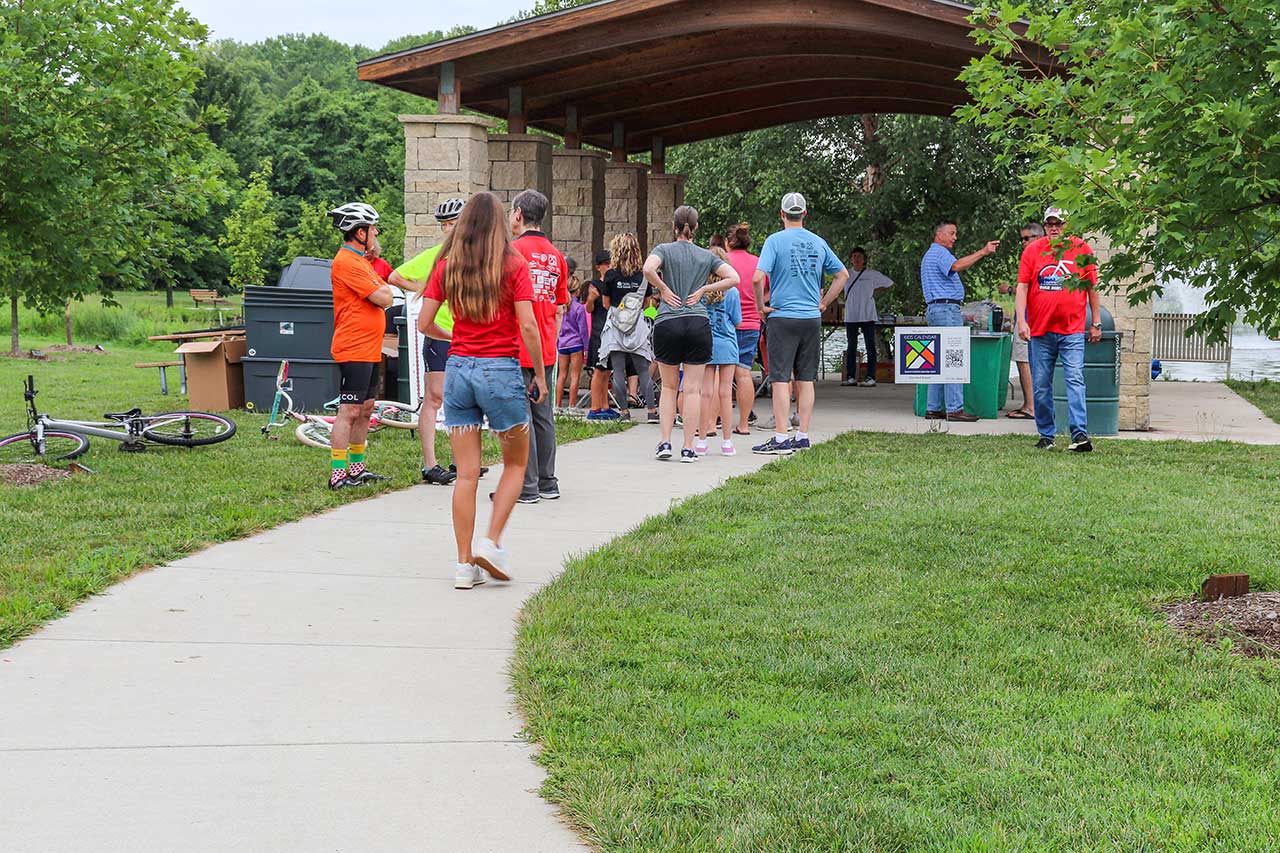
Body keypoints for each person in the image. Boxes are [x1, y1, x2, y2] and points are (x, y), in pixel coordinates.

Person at [418, 192, 547, 590]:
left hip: (457, 371)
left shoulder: (447, 264)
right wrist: (540, 375)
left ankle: (462, 566)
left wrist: (454, 335)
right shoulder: (513, 264)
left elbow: (424, 322)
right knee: (515, 463)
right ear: (499, 223)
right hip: (500, 372)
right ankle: (490, 542)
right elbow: (527, 326)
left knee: (466, 476)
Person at [750, 192, 848, 455]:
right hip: (810, 319)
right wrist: (824, 303)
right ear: (805, 214)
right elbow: (842, 275)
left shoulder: (774, 241)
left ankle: (781, 437)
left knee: (781, 378)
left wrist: (761, 307)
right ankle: (803, 434)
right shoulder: (818, 243)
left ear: (782, 214)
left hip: (782, 316)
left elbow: (758, 278)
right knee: (806, 378)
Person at [643, 205, 739, 461]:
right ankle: (689, 447)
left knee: (669, 388)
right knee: (694, 389)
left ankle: (665, 443)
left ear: (674, 227)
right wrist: (705, 290)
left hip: (667, 322)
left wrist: (662, 288)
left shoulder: (663, 250)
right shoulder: (706, 256)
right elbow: (734, 277)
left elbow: (648, 268)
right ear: (695, 228)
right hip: (697, 322)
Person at [390, 197, 465, 485]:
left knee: (462, 399)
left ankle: (460, 460)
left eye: (452, 223)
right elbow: (396, 276)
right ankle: (430, 464)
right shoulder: (435, 256)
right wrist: (423, 288)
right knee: (435, 398)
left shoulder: (476, 257)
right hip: (439, 334)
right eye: (444, 225)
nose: (448, 230)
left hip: (467, 337)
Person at [1017, 206, 1102, 452]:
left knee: (1075, 378)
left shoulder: (1081, 249)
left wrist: (1095, 322)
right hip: (1040, 331)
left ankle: (1079, 435)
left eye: (1059, 224)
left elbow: (1091, 287)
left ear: (1066, 225)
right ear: (1045, 226)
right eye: (1050, 224)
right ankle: (1047, 435)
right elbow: (1022, 286)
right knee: (1041, 383)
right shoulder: (1033, 250)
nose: (1054, 228)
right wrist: (1022, 321)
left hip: (1072, 329)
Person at [325, 201, 394, 490]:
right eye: (372, 228)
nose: (376, 232)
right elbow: (384, 297)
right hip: (353, 347)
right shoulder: (347, 262)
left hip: (368, 347)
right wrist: (382, 291)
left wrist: (383, 290)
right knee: (349, 411)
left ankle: (357, 469)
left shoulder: (361, 262)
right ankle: (338, 475)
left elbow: (385, 291)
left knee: (366, 409)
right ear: (359, 232)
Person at [510, 189, 568, 503]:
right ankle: (548, 482)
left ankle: (527, 485)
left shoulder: (511, 252)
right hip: (545, 344)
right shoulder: (556, 256)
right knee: (543, 415)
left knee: (521, 416)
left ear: (519, 214)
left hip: (517, 344)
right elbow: (560, 303)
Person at [919, 220, 1000, 423]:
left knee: (937, 361)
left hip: (937, 309)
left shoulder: (931, 254)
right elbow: (956, 266)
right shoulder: (940, 253)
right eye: (952, 233)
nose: (955, 237)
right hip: (946, 310)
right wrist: (983, 251)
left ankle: (933, 407)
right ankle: (954, 408)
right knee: (952, 359)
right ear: (940, 234)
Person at [597, 232, 657, 423]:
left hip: (615, 327)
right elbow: (647, 305)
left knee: (618, 370)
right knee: (643, 370)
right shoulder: (642, 275)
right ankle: (652, 411)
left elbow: (606, 303)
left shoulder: (611, 275)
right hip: (637, 327)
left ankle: (624, 412)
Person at [696, 246, 742, 456]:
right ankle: (727, 442)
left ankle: (702, 440)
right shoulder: (732, 291)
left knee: (705, 393)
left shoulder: (700, 290)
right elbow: (737, 320)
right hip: (728, 344)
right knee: (725, 393)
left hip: (706, 343)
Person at [999, 222, 1044, 418]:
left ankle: (1030, 407)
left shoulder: (1037, 257)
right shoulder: (1044, 256)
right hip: (1031, 318)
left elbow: (1029, 288)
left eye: (1027, 238)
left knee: (1023, 360)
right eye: (1022, 239)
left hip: (1029, 320)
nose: (1023, 242)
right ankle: (1034, 404)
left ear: (1038, 238)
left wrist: (1009, 290)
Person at [725, 222, 762, 434]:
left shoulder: (723, 262)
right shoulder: (758, 263)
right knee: (744, 373)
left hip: (725, 322)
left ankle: (714, 422)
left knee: (720, 373)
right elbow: (767, 292)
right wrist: (758, 306)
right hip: (751, 322)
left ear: (729, 241)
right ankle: (744, 424)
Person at [839, 247, 893, 387]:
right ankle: (851, 377)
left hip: (867, 314)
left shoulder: (871, 274)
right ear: (851, 259)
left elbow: (889, 283)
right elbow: (837, 288)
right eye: (854, 256)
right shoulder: (845, 274)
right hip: (851, 315)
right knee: (851, 346)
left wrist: (873, 291)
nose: (856, 259)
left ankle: (871, 377)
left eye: (859, 256)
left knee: (870, 346)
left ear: (864, 259)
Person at [584, 249, 618, 420]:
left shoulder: (613, 283)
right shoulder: (595, 285)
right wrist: (590, 299)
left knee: (607, 371)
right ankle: (595, 407)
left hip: (611, 330)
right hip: (598, 331)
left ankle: (605, 405)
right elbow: (589, 309)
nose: (609, 266)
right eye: (605, 264)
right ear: (598, 267)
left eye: (610, 263)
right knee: (598, 370)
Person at [555, 261, 590, 409]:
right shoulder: (578, 308)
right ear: (577, 291)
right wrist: (586, 347)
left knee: (561, 375)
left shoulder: (560, 306)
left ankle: (557, 405)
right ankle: (571, 405)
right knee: (574, 375)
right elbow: (583, 329)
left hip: (562, 343)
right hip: (576, 344)